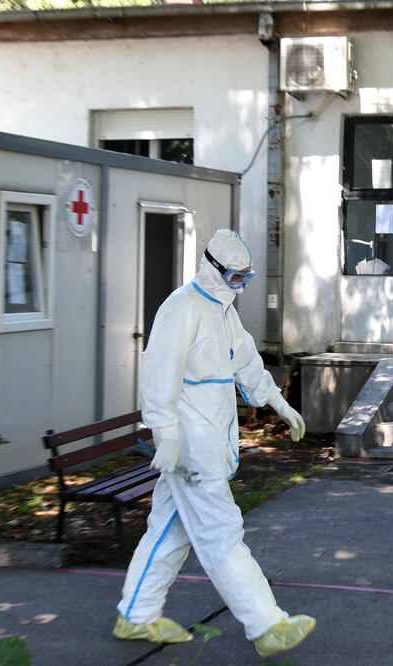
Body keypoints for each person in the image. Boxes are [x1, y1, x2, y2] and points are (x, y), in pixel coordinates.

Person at [112, 229, 315, 659]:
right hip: (189, 447)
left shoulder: (223, 312)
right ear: (214, 269)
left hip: (208, 442)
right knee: (222, 533)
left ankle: (137, 613)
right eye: (237, 277)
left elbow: (244, 361)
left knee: (170, 528)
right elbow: (158, 375)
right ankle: (268, 623)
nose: (242, 285)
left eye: (247, 277)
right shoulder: (181, 308)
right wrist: (164, 434)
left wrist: (277, 401)